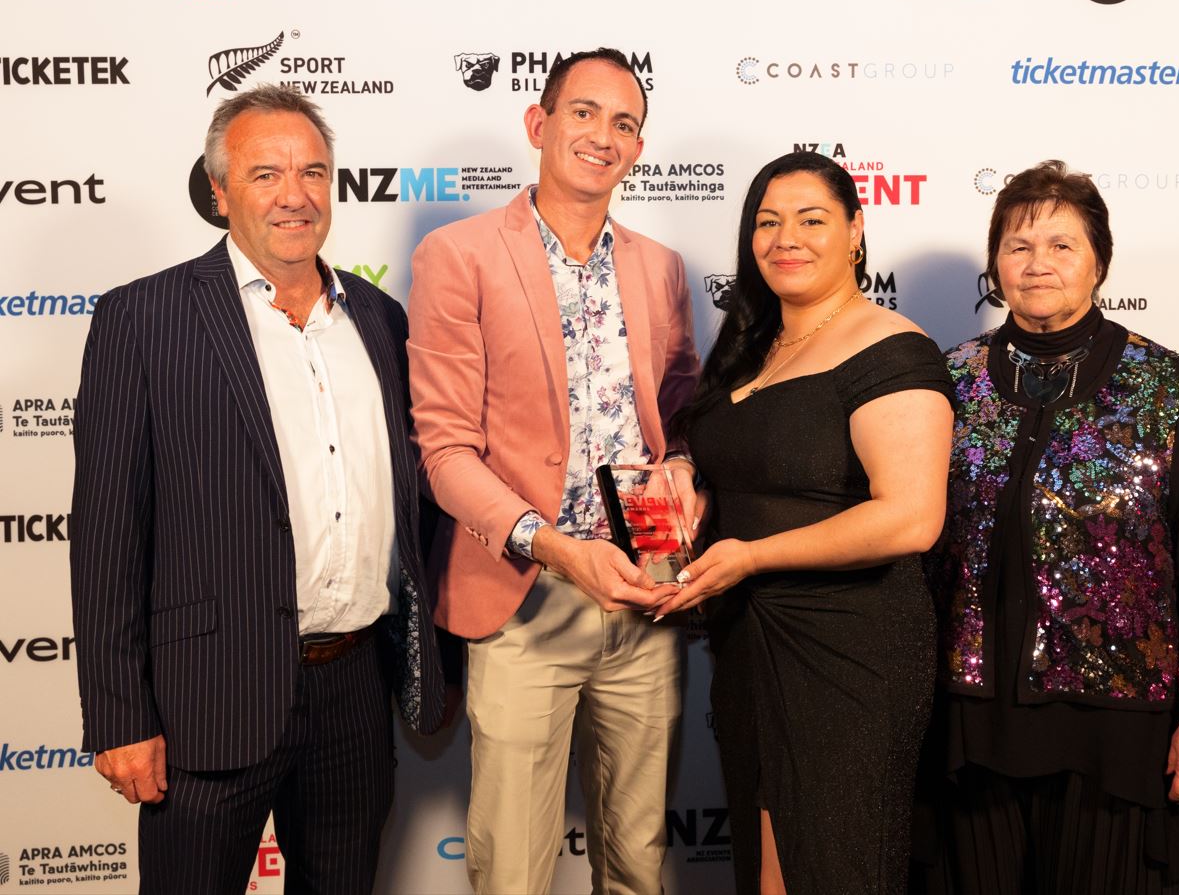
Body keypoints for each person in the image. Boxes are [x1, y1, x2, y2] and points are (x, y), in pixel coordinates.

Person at [70, 85, 446, 895]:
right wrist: (120, 716)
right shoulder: (143, 317)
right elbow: (106, 531)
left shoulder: (379, 319)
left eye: (313, 171)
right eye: (266, 173)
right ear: (219, 191)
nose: (296, 195)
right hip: (206, 698)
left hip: (352, 689)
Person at [914, 160, 1179, 895]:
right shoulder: (944, 383)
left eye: (1061, 244)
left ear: (1099, 262)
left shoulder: (1160, 383)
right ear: (995, 265)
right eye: (1018, 245)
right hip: (970, 730)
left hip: (1119, 738)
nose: (1037, 263)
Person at [407, 47, 701, 895]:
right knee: (514, 870)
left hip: (645, 588)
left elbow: (678, 421)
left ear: (639, 149)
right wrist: (556, 548)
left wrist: (682, 471)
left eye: (624, 123)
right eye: (583, 113)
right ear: (538, 124)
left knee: (638, 859)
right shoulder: (457, 254)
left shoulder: (659, 267)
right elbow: (445, 453)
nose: (602, 136)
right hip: (524, 596)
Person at [659, 150, 956, 895]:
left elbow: (911, 518)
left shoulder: (893, 348)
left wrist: (751, 556)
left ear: (855, 231)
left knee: (838, 867)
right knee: (769, 874)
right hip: (749, 646)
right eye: (766, 221)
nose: (784, 237)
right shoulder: (752, 343)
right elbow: (729, 454)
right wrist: (688, 474)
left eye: (811, 219)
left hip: (850, 652)